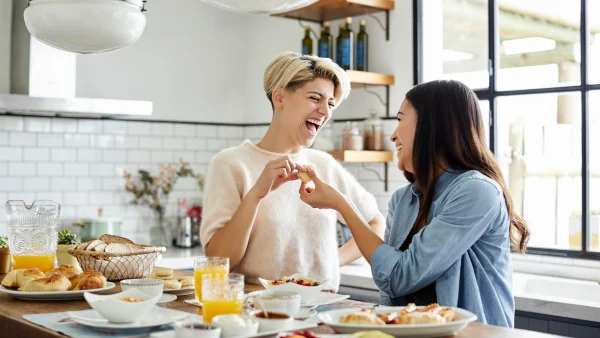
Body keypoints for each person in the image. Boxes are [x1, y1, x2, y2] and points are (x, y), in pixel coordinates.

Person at [298, 79, 530, 327]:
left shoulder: (477, 192)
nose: (393, 135)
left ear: (433, 126)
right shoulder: (403, 199)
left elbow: (400, 276)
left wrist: (342, 204)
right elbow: (390, 286)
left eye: (400, 119)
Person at [200, 51, 385, 290]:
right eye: (315, 98)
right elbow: (219, 260)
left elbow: (375, 223)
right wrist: (256, 194)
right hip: (258, 310)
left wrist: (333, 260)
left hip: (322, 309)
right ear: (279, 97)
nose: (326, 111)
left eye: (330, 103)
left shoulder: (323, 165)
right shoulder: (231, 164)